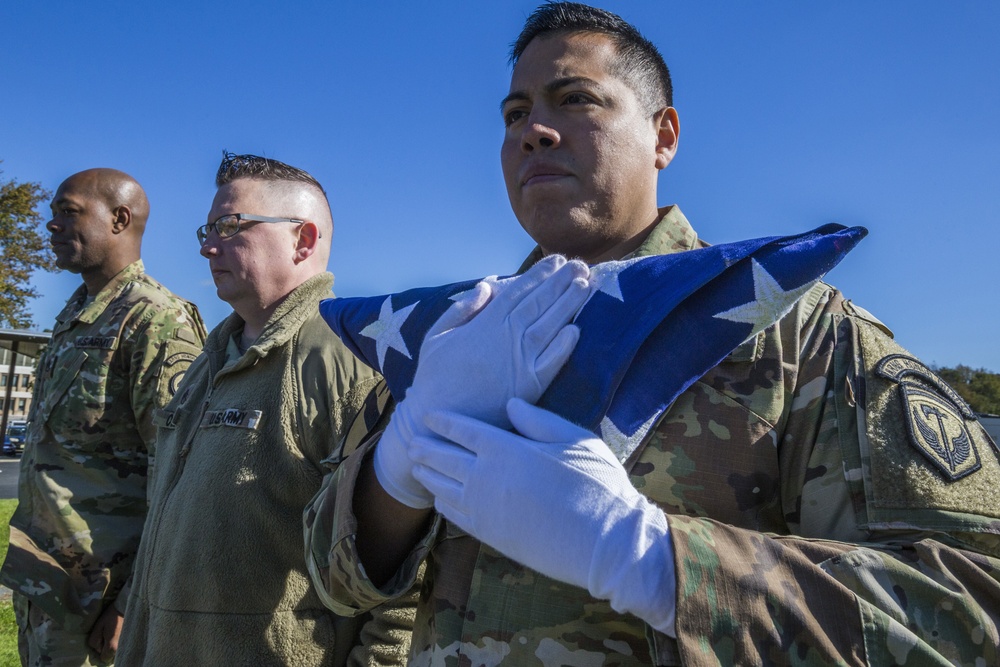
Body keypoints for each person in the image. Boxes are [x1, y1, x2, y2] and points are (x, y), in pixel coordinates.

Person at [306, 3, 1000, 666]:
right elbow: (333, 583)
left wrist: (652, 560)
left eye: (575, 100)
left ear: (664, 135)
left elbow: (974, 612)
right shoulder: (458, 334)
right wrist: (395, 469)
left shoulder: (793, 330)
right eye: (516, 113)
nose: (532, 131)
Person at [116, 152, 415, 666]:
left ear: (303, 240)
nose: (209, 246)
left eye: (232, 226)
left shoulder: (350, 363)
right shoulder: (210, 361)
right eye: (207, 229)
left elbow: (406, 586)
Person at [1, 168, 206, 666]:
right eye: (51, 213)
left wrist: (134, 597)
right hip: (49, 583)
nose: (51, 225)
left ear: (119, 219)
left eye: (67, 212)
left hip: (103, 601)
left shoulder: (156, 319)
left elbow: (182, 473)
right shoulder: (77, 314)